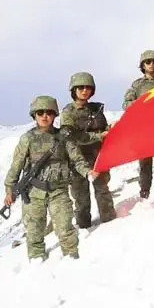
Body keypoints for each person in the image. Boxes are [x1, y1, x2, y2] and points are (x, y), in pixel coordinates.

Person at [2, 95, 96, 260]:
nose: (44, 116)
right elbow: (16, 166)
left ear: (54, 115)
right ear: (34, 115)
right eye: (40, 113)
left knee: (65, 229)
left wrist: (87, 172)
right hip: (33, 192)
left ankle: (72, 260)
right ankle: (36, 262)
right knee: (34, 232)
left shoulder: (64, 137)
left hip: (58, 191)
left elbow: (77, 159)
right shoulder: (27, 139)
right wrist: (10, 190)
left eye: (49, 112)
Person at [59, 71, 116, 227]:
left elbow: (103, 129)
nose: (85, 90)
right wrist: (99, 136)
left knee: (103, 191)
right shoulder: (68, 113)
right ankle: (84, 228)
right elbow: (73, 138)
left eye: (88, 87)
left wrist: (110, 130)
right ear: (74, 90)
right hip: (77, 159)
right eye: (81, 87)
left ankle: (111, 223)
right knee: (81, 198)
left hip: (98, 156)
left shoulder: (96, 110)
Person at [122, 50, 154, 198]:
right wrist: (144, 103)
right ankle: (144, 193)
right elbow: (126, 104)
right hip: (143, 131)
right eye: (148, 62)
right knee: (144, 164)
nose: (151, 65)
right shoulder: (137, 85)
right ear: (142, 65)